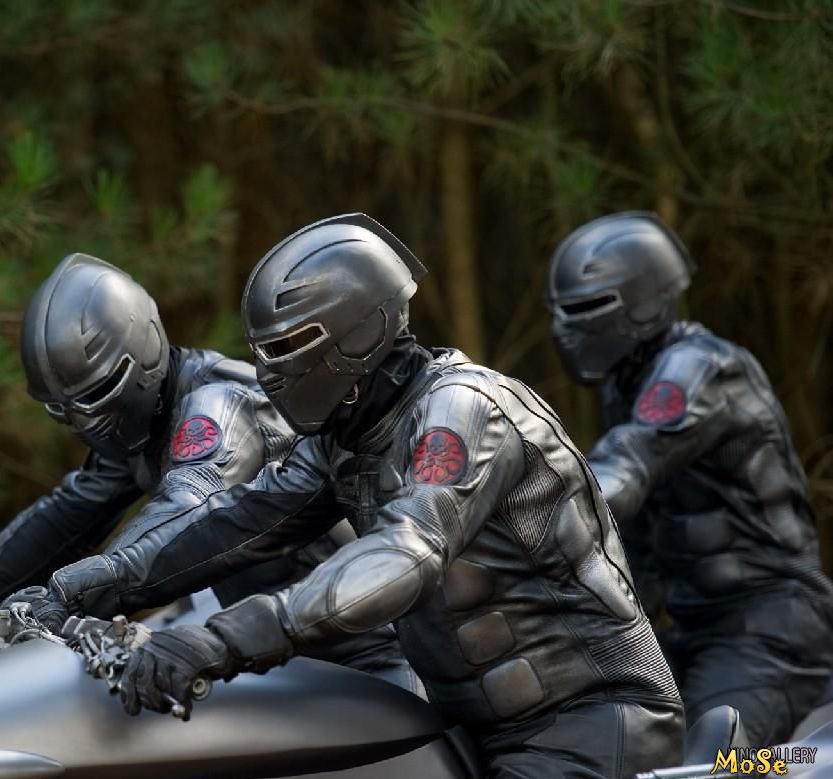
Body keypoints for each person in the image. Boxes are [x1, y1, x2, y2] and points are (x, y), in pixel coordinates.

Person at [41, 214, 684, 778]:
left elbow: (406, 551)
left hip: (585, 724)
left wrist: (222, 639)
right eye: (263, 351)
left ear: (357, 334)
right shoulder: (349, 436)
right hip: (467, 730)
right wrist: (83, 586)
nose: (268, 369)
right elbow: (239, 521)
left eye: (286, 347)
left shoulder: (464, 409)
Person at [0, 252, 416, 689]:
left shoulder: (218, 405)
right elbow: (66, 514)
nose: (84, 422)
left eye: (95, 395)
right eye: (64, 410)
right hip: (276, 663)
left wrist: (71, 596)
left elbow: (188, 505)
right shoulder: (142, 429)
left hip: (369, 659)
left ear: (143, 350)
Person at [545, 211, 833, 745]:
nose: (568, 325)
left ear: (646, 299)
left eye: (587, 308)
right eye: (563, 311)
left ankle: (786, 770)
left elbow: (627, 464)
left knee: (712, 765)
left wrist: (530, 507)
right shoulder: (625, 388)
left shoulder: (701, 369)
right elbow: (637, 545)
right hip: (692, 631)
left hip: (771, 626)